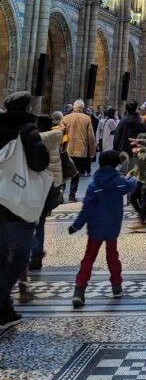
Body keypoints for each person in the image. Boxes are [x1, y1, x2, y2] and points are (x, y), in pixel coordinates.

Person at [0, 91, 49, 333]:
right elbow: (40, 162)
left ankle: (5, 312)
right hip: (16, 203)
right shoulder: (27, 129)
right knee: (18, 256)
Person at [68, 149, 137, 308]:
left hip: (95, 227)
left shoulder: (94, 185)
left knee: (89, 257)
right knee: (112, 256)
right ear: (116, 164)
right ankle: (117, 286)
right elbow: (130, 185)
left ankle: (79, 289)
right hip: (112, 227)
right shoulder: (119, 181)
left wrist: (76, 226)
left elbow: (86, 209)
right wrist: (133, 177)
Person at [28, 114, 63, 273]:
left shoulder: (36, 139)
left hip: (38, 184)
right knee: (40, 221)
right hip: (52, 185)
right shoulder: (56, 137)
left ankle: (33, 252)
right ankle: (36, 254)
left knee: (30, 221)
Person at [59, 99, 96, 201]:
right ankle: (72, 196)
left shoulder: (65, 118)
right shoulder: (87, 119)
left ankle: (61, 193)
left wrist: (61, 146)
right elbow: (91, 137)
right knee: (76, 173)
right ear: (82, 108)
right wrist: (92, 152)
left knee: (65, 172)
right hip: (81, 150)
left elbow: (60, 134)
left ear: (73, 107)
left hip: (67, 150)